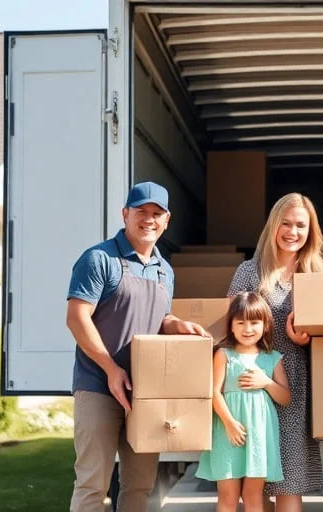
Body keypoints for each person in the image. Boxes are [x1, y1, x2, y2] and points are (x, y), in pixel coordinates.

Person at [66, 181, 211, 512]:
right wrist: (111, 370)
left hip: (145, 393)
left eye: (156, 213)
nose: (149, 219)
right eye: (141, 212)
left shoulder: (164, 270)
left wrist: (177, 325)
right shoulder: (99, 259)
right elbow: (77, 318)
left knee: (139, 487)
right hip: (98, 386)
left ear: (167, 220)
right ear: (125, 214)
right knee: (93, 484)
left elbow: (157, 317)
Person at [227, 192, 323, 512]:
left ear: (311, 232)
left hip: (295, 383)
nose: (292, 232)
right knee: (256, 481)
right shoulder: (249, 273)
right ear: (273, 226)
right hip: (252, 382)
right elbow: (232, 329)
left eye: (300, 226)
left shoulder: (321, 276)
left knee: (289, 480)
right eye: (286, 223)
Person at [197, 291, 291, 512]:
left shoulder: (272, 358)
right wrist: (229, 423)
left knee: (253, 497)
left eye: (254, 322)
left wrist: (266, 382)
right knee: (227, 497)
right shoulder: (224, 355)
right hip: (227, 432)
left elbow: (285, 398)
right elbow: (214, 393)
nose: (248, 329)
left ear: (265, 325)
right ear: (231, 326)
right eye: (241, 323)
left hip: (259, 435)